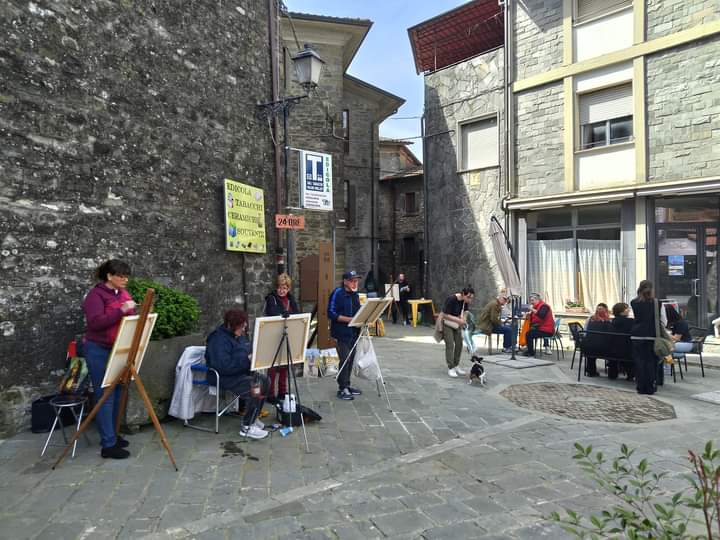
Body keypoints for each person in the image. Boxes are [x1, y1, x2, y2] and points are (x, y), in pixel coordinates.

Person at [82, 259, 137, 459]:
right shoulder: (95, 296)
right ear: (109, 276)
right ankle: (108, 444)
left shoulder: (122, 293)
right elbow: (95, 323)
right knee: (105, 394)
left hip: (119, 349)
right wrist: (120, 311)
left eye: (126, 276)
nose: (125, 279)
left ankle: (113, 434)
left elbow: (130, 317)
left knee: (119, 390)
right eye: (121, 276)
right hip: (99, 349)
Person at [205, 309, 270, 439]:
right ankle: (247, 426)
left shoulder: (238, 335)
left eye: (244, 326)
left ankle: (253, 416)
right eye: (241, 327)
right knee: (255, 386)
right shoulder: (218, 339)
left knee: (265, 380)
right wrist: (247, 360)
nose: (243, 329)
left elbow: (246, 350)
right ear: (231, 325)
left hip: (239, 373)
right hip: (222, 376)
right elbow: (224, 366)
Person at [262, 273, 300, 404]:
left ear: (288, 288)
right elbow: (271, 312)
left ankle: (282, 392)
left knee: (284, 365)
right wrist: (281, 314)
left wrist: (289, 314)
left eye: (284, 288)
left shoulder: (291, 299)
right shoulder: (271, 298)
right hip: (273, 335)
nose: (282, 290)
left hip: (287, 333)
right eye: (280, 287)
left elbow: (297, 313)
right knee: (272, 367)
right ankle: (270, 393)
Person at [328, 270, 362, 401]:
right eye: (352, 280)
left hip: (354, 332)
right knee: (345, 360)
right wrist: (349, 320)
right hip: (341, 333)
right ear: (345, 281)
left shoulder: (355, 295)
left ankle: (347, 385)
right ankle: (342, 388)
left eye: (356, 280)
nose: (355, 283)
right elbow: (331, 313)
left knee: (351, 359)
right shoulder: (337, 293)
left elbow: (358, 310)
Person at [631, 280, 662, 395]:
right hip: (651, 335)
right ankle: (650, 387)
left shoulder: (633, 302)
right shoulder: (656, 303)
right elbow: (661, 319)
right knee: (650, 362)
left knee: (639, 361)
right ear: (652, 289)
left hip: (636, 335)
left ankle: (640, 386)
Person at [442, 286, 475, 377]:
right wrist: (458, 320)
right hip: (447, 324)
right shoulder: (451, 299)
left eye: (471, 298)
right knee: (450, 344)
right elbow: (445, 315)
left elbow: (466, 311)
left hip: (457, 324)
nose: (470, 300)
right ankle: (451, 367)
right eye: (468, 297)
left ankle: (456, 365)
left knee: (459, 344)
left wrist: (463, 320)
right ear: (463, 294)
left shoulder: (465, 301)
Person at [583, 303, 611, 377]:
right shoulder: (606, 321)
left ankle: (590, 370)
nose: (599, 311)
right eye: (598, 309)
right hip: (600, 346)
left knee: (592, 348)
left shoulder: (607, 320)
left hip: (595, 345)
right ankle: (612, 371)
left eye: (601, 309)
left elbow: (585, 332)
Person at [523, 293, 555, 357]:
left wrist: (532, 309)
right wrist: (528, 315)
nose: (531, 303)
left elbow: (541, 315)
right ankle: (529, 349)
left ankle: (530, 352)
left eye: (532, 300)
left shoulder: (544, 306)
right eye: (530, 301)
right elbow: (534, 319)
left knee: (529, 334)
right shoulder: (536, 307)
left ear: (537, 300)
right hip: (541, 328)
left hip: (547, 330)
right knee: (528, 332)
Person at [610, 302, 634, 380]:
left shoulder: (612, 322)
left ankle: (612, 374)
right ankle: (630, 374)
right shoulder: (630, 322)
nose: (629, 310)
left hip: (612, 350)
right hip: (627, 350)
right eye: (627, 308)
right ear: (622, 311)